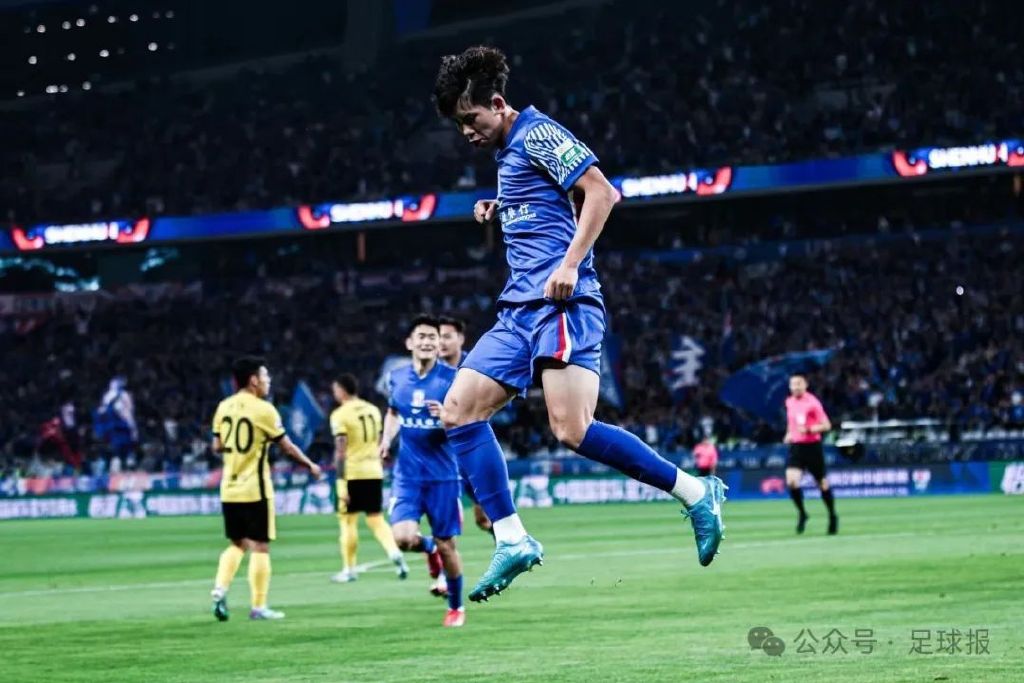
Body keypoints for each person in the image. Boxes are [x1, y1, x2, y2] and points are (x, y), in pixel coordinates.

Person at [431, 46, 726, 603]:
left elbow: (601, 192)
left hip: (561, 304)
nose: (466, 132)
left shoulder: (538, 132)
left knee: (571, 429)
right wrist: (500, 205)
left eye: (471, 119)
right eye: (459, 125)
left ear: (498, 103)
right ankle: (512, 538)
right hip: (518, 309)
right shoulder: (506, 151)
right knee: (458, 412)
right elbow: (542, 200)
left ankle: (694, 492)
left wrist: (569, 264)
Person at [209, 357, 322, 621]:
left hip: (229, 488)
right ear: (253, 380)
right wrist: (310, 465)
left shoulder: (224, 406)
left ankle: (220, 588)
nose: (268, 381)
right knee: (260, 546)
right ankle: (258, 607)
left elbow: (217, 446)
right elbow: (287, 447)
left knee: (237, 544)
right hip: (255, 489)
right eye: (265, 376)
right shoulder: (264, 410)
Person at [380, 315, 466, 627]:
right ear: (410, 343)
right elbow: (393, 412)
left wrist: (447, 417)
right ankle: (427, 547)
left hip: (443, 477)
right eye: (422, 336)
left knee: (448, 546)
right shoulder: (397, 378)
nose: (428, 341)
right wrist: (385, 440)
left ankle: (456, 607)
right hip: (408, 476)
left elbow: (468, 422)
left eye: (433, 337)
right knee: (402, 538)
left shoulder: (454, 379)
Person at [329, 373, 409, 583]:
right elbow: (379, 440)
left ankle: (349, 569)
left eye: (335, 390)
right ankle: (394, 552)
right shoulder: (373, 410)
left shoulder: (340, 415)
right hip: (374, 470)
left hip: (353, 473)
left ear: (341, 390)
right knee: (375, 518)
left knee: (348, 521)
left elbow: (340, 451)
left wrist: (340, 482)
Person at [439, 315, 494, 539]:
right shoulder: (431, 370)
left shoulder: (475, 365)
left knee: (485, 518)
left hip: (472, 446)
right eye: (438, 337)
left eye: (447, 336)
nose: (441, 342)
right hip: (442, 452)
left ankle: (509, 544)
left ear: (460, 338)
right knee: (441, 515)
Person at [783, 374, 837, 535]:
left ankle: (832, 515)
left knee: (822, 484)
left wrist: (809, 430)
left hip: (813, 447)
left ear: (805, 385)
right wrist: (789, 433)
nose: (795, 387)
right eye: (793, 384)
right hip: (796, 447)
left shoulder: (813, 403)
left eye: (798, 384)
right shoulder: (789, 401)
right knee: (792, 481)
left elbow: (826, 425)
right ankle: (802, 513)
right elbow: (791, 422)